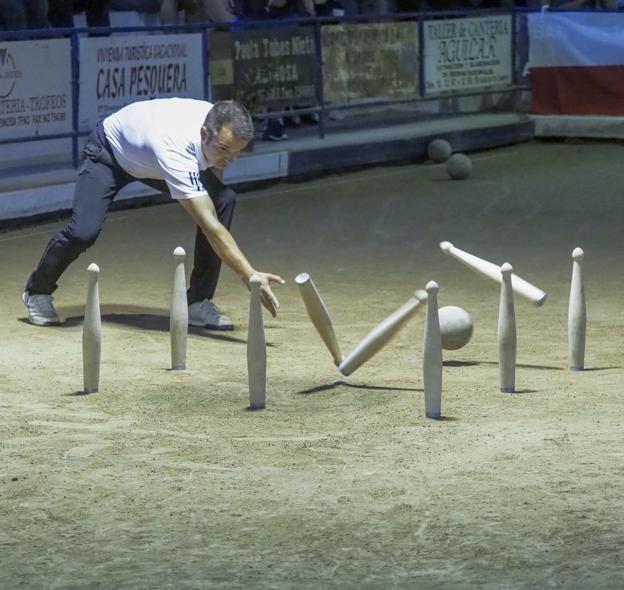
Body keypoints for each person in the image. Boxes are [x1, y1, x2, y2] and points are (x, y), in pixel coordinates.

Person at [22, 98, 284, 330]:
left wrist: (213, 187)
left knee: (223, 199)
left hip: (149, 157)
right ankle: (37, 292)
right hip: (109, 153)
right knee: (83, 232)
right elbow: (209, 226)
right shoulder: (175, 147)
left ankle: (198, 301)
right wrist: (249, 275)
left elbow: (214, 184)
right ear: (204, 133)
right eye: (224, 150)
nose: (229, 158)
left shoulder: (218, 120)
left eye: (237, 153)